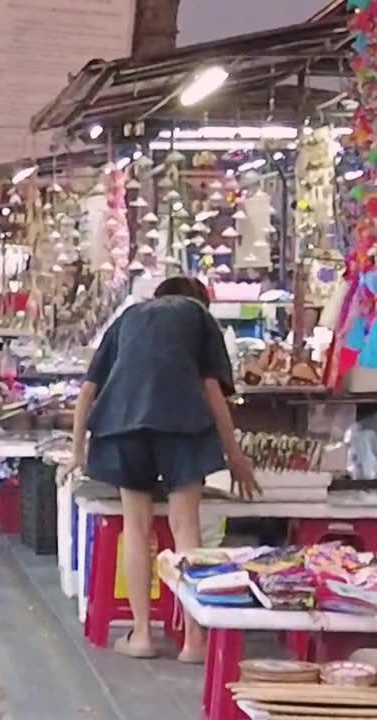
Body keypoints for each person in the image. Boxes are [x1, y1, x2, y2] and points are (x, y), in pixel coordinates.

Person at [71, 276, 260, 663]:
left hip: (122, 426)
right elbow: (211, 390)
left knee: (136, 528)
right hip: (183, 423)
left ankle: (142, 635)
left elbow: (88, 390)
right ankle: (193, 640)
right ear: (200, 302)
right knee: (185, 526)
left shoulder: (129, 317)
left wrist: (78, 451)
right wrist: (234, 455)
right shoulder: (199, 317)